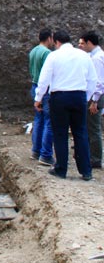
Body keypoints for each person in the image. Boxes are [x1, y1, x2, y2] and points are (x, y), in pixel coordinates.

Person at [34, 29, 97, 180]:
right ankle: (86, 171)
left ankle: (61, 169)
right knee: (80, 133)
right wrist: (86, 97)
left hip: (59, 97)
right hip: (79, 96)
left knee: (60, 133)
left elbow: (44, 79)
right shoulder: (84, 56)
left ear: (57, 42)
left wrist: (38, 97)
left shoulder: (54, 56)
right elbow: (93, 79)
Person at [29, 28, 54, 166]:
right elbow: (47, 74)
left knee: (38, 120)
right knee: (49, 121)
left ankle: (35, 150)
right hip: (44, 89)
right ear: (49, 38)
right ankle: (46, 154)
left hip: (35, 86)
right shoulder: (47, 53)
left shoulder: (33, 51)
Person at [78, 31, 104, 169]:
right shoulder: (96, 56)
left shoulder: (97, 58)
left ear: (89, 42)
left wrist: (94, 101)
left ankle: (95, 159)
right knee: (91, 127)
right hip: (96, 96)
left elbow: (99, 82)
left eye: (83, 43)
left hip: (96, 96)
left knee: (93, 128)